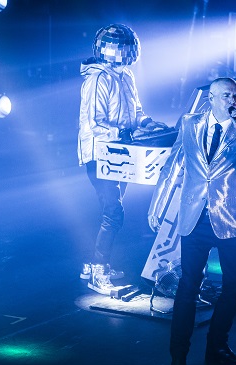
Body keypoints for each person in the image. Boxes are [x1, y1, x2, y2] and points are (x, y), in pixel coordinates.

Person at [148, 77, 236, 365]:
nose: (231, 100)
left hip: (230, 218)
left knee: (235, 284)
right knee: (188, 286)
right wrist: (157, 205)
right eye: (225, 95)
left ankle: (217, 346)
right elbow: (173, 167)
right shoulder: (190, 124)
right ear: (211, 98)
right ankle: (178, 358)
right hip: (194, 217)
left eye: (235, 95)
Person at [77, 23, 164, 295]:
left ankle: (92, 264)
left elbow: (135, 112)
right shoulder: (96, 79)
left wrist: (147, 123)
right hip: (99, 153)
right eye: (119, 47)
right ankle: (98, 271)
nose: (123, 53)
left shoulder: (126, 76)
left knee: (110, 212)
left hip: (121, 153)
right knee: (114, 213)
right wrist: (125, 131)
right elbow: (94, 124)